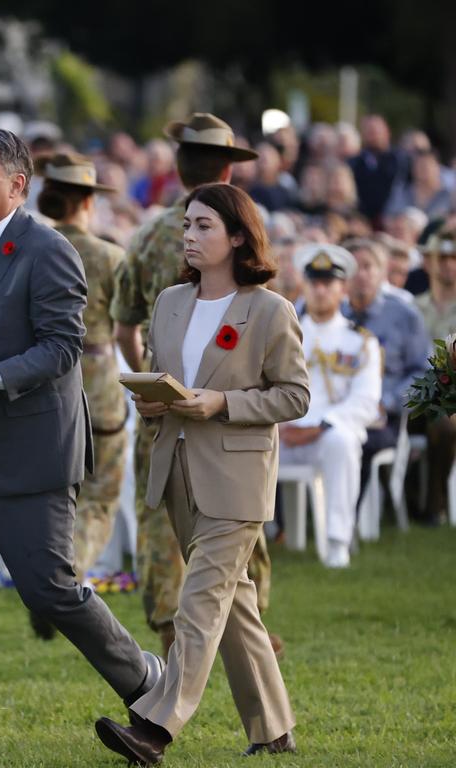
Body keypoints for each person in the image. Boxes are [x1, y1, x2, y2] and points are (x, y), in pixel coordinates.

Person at [0, 129, 161, 750]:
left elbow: (61, 346)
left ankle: (147, 682)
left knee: (48, 590)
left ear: (18, 185)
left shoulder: (48, 250)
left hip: (33, 450)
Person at [95, 182, 308, 764]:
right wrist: (153, 398)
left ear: (238, 236)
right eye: (187, 224)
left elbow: (294, 396)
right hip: (178, 470)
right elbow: (160, 374)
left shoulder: (270, 310)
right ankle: (274, 731)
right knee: (233, 603)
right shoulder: (168, 302)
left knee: (201, 601)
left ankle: (155, 727)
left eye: (204, 226)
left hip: (237, 479)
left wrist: (223, 403)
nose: (189, 235)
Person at [112, 113, 274, 657]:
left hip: (165, 408)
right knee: (238, 517)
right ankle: (245, 623)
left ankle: (170, 622)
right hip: (235, 417)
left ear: (178, 164)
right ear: (230, 166)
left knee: (160, 514)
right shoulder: (248, 231)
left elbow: (122, 324)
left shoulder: (149, 233)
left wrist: (156, 385)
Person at [28, 151, 128, 640]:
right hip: (101, 382)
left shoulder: (29, 248)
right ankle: (66, 581)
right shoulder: (111, 257)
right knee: (99, 498)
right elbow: (133, 324)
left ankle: (47, 580)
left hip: (40, 384)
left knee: (51, 494)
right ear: (88, 200)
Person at [280, 244, 382, 567]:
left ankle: (337, 541)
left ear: (343, 289)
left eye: (328, 283)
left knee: (342, 442)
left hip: (326, 434)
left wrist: (319, 426)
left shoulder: (360, 341)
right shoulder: (283, 335)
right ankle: (246, 543)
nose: (320, 290)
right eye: (314, 282)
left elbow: (366, 402)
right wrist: (279, 424)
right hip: (282, 431)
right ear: (304, 285)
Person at [341, 238, 429, 503]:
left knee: (358, 442)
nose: (362, 275)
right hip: (336, 407)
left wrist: (388, 402)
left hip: (383, 416)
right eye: (354, 268)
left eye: (369, 266)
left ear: (382, 272)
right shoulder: (331, 314)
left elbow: (423, 373)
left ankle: (348, 523)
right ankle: (281, 527)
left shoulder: (404, 315)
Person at [412, 228, 456, 524]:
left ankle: (434, 501)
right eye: (442, 258)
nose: (448, 264)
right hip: (418, 392)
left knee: (445, 422)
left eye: (454, 258)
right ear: (427, 262)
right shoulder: (411, 307)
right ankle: (427, 500)